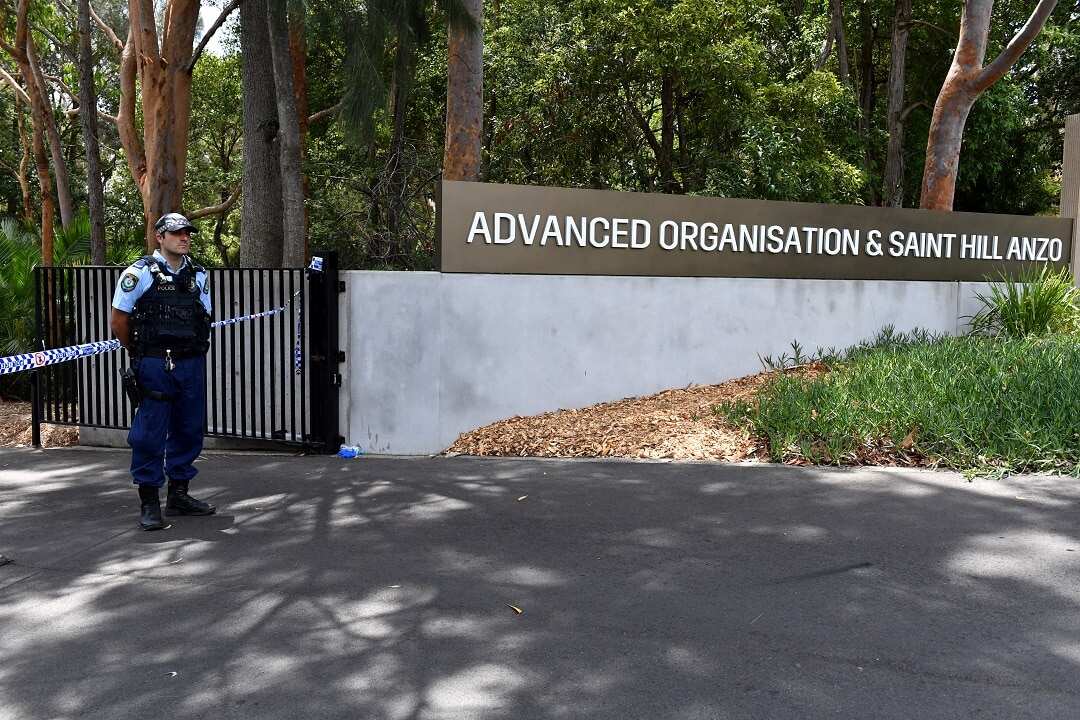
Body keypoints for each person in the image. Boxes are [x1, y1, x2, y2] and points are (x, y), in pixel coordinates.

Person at [110, 213, 216, 531]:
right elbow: (118, 322)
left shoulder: (198, 274)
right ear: (159, 236)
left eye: (187, 232)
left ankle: (179, 495)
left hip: (190, 363)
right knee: (149, 433)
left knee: (189, 428)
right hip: (155, 363)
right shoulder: (138, 273)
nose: (184, 237)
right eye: (176, 233)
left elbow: (204, 316)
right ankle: (149, 502)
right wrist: (139, 353)